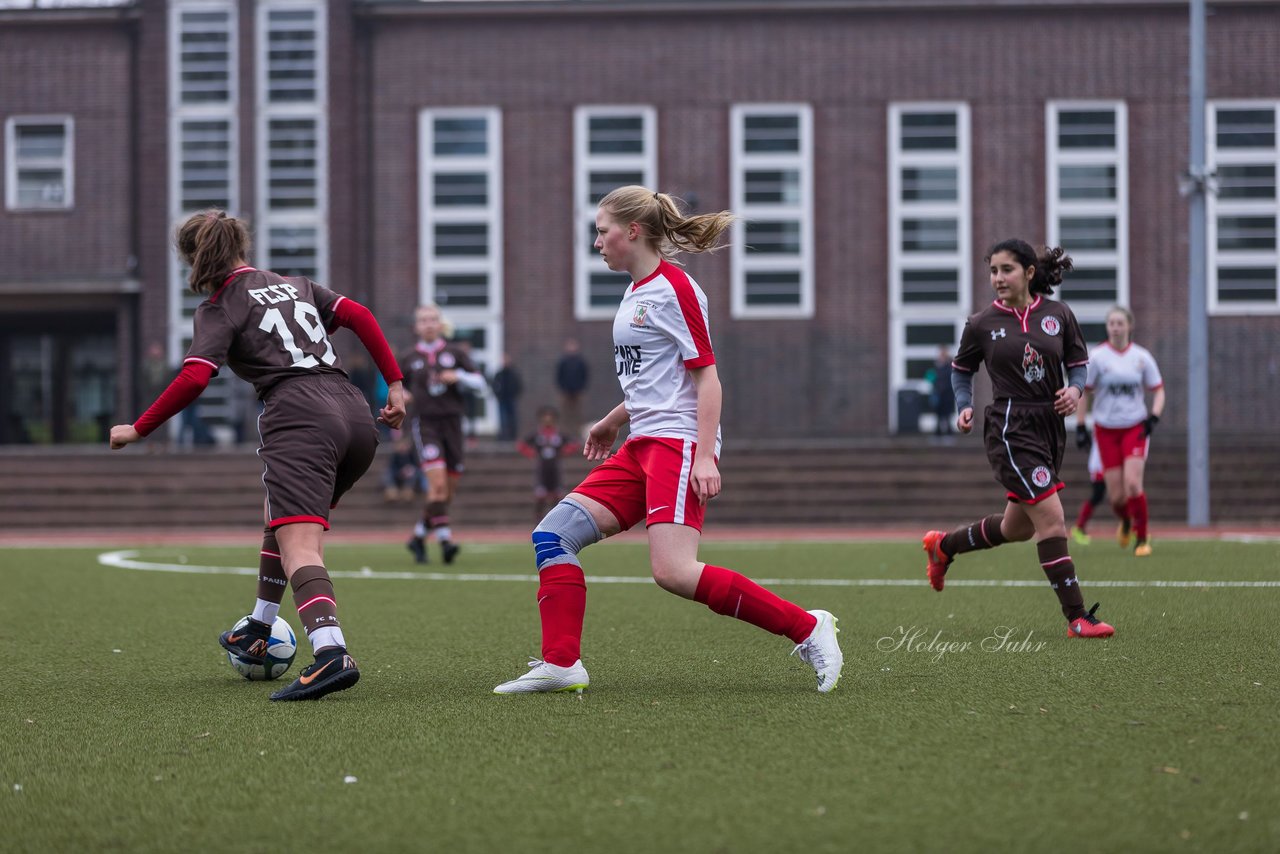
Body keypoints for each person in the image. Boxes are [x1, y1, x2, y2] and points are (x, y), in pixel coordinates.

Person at [493, 185, 843, 695]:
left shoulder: (676, 290)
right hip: (641, 443)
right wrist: (613, 419)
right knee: (553, 535)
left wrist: (704, 456)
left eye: (602, 231)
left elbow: (707, 379)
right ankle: (562, 664)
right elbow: (655, 381)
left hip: (676, 446)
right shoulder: (636, 292)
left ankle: (809, 628)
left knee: (674, 572)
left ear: (631, 231)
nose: (597, 243)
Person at [108, 210, 406, 701]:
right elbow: (360, 316)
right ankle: (259, 626)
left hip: (299, 417)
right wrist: (394, 382)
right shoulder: (296, 284)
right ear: (241, 246)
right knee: (283, 518)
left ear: (192, 258)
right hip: (354, 414)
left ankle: (332, 653)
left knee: (300, 548)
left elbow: (195, 376)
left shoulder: (220, 306)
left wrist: (138, 429)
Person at [921, 239, 1115, 639]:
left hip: (1050, 428)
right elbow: (961, 370)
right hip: (1010, 429)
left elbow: (1078, 364)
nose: (997, 278)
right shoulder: (981, 323)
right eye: (992, 271)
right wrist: (963, 404)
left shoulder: (1059, 315)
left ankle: (944, 546)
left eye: (1006, 269)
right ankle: (1078, 617)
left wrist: (1076, 392)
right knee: (1052, 518)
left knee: (1018, 529)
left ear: (1028, 273)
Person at [401, 304, 487, 564]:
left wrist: (458, 375)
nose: (428, 324)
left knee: (445, 494)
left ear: (440, 325)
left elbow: (481, 384)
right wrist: (401, 396)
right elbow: (395, 388)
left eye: (433, 319)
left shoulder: (455, 353)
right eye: (423, 320)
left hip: (452, 425)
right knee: (436, 486)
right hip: (426, 425)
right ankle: (446, 540)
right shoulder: (407, 358)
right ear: (416, 327)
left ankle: (417, 537)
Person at [1078, 306, 1165, 556]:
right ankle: (1126, 520)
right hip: (1106, 431)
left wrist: (1154, 417)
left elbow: (1158, 389)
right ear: (1108, 328)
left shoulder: (1141, 357)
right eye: (1112, 323)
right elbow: (1084, 391)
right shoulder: (1097, 357)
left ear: (1129, 326)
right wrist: (1081, 426)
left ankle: (1142, 537)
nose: (1115, 327)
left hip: (1134, 427)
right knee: (1116, 497)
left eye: (1120, 323)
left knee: (1133, 485)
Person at [516, 405, 579, 521]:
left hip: (555, 468)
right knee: (540, 497)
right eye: (545, 416)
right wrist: (532, 453)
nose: (548, 419)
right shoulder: (537, 434)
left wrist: (564, 452)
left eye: (550, 416)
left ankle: (556, 521)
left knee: (557, 496)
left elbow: (574, 444)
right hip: (542, 468)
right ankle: (538, 522)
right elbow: (521, 445)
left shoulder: (559, 434)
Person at [1069, 432, 1107, 545]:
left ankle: (1129, 526)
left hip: (1108, 460)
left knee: (1121, 493)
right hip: (1100, 462)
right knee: (1098, 495)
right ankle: (1079, 527)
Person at [554, 337, 590, 435]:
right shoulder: (563, 361)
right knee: (565, 413)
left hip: (577, 391)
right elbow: (559, 375)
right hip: (565, 391)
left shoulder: (580, 362)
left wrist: (581, 387)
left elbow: (585, 375)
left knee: (577, 413)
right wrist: (562, 387)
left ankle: (578, 432)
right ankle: (565, 433)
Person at [491, 353, 523, 441]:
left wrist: (514, 395)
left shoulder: (514, 373)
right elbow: (494, 385)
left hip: (511, 399)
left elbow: (519, 386)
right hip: (502, 399)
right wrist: (498, 395)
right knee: (503, 419)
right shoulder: (499, 374)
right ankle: (503, 437)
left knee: (512, 418)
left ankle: (513, 437)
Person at [930, 346, 955, 436]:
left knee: (947, 416)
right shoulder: (936, 367)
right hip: (938, 395)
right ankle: (938, 433)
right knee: (938, 416)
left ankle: (949, 433)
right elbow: (932, 379)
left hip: (947, 395)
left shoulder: (949, 367)